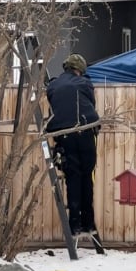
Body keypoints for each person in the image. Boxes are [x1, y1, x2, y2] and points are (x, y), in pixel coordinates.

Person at [45, 53, 100, 238]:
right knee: (87, 176)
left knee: (72, 178)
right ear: (80, 70)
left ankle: (74, 225)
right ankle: (88, 224)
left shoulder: (53, 84)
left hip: (64, 135)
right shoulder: (84, 83)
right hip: (85, 131)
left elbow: (52, 104)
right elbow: (91, 103)